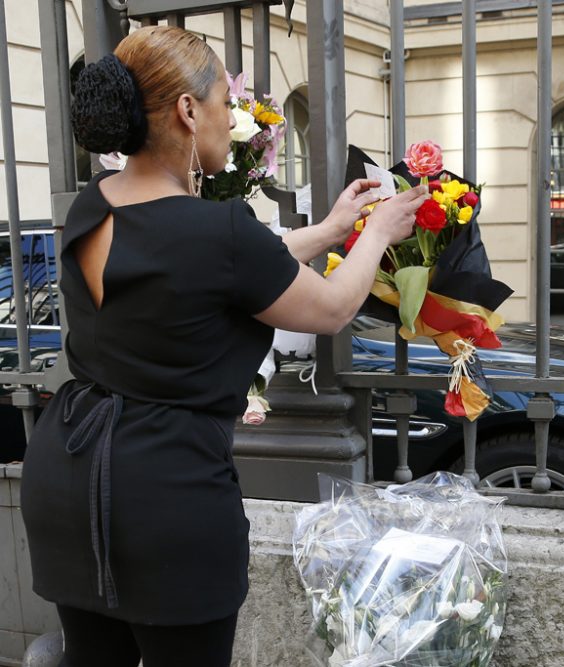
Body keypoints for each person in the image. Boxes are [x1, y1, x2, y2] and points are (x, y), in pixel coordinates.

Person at [19, 25, 427, 667]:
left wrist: (329, 230)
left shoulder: (92, 205)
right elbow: (331, 306)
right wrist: (376, 233)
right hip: (165, 495)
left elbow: (220, 267)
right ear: (187, 111)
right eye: (223, 103)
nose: (229, 117)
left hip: (66, 478)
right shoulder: (219, 231)